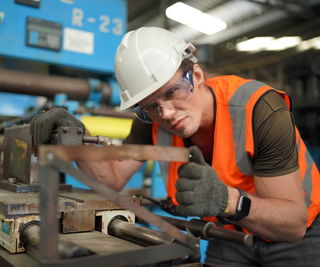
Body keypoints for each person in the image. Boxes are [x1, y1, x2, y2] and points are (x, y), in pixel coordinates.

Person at [30, 27, 320, 266]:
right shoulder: (150, 120)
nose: (165, 113)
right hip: (229, 234)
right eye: (151, 106)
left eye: (172, 92)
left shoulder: (259, 108)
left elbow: (291, 224)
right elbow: (111, 178)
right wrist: (76, 137)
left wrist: (226, 200)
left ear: (196, 75)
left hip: (298, 238)